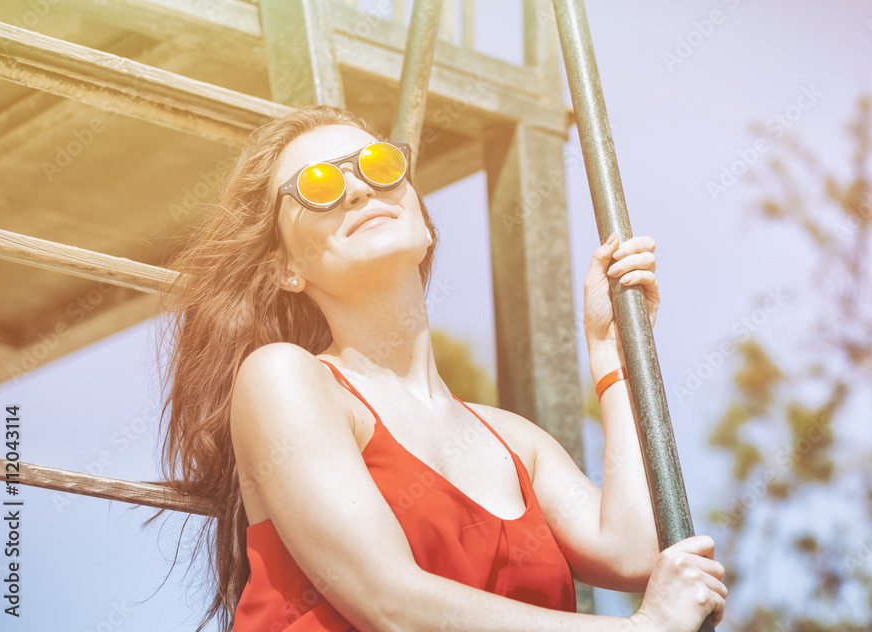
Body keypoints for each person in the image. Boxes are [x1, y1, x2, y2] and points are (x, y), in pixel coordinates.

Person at [156, 104, 726, 632]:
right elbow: (391, 602)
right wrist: (642, 629)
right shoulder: (285, 379)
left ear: (424, 224)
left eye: (379, 165)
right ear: (286, 268)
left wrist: (609, 352)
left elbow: (634, 550)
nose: (357, 188)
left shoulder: (514, 440)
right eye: (318, 185)